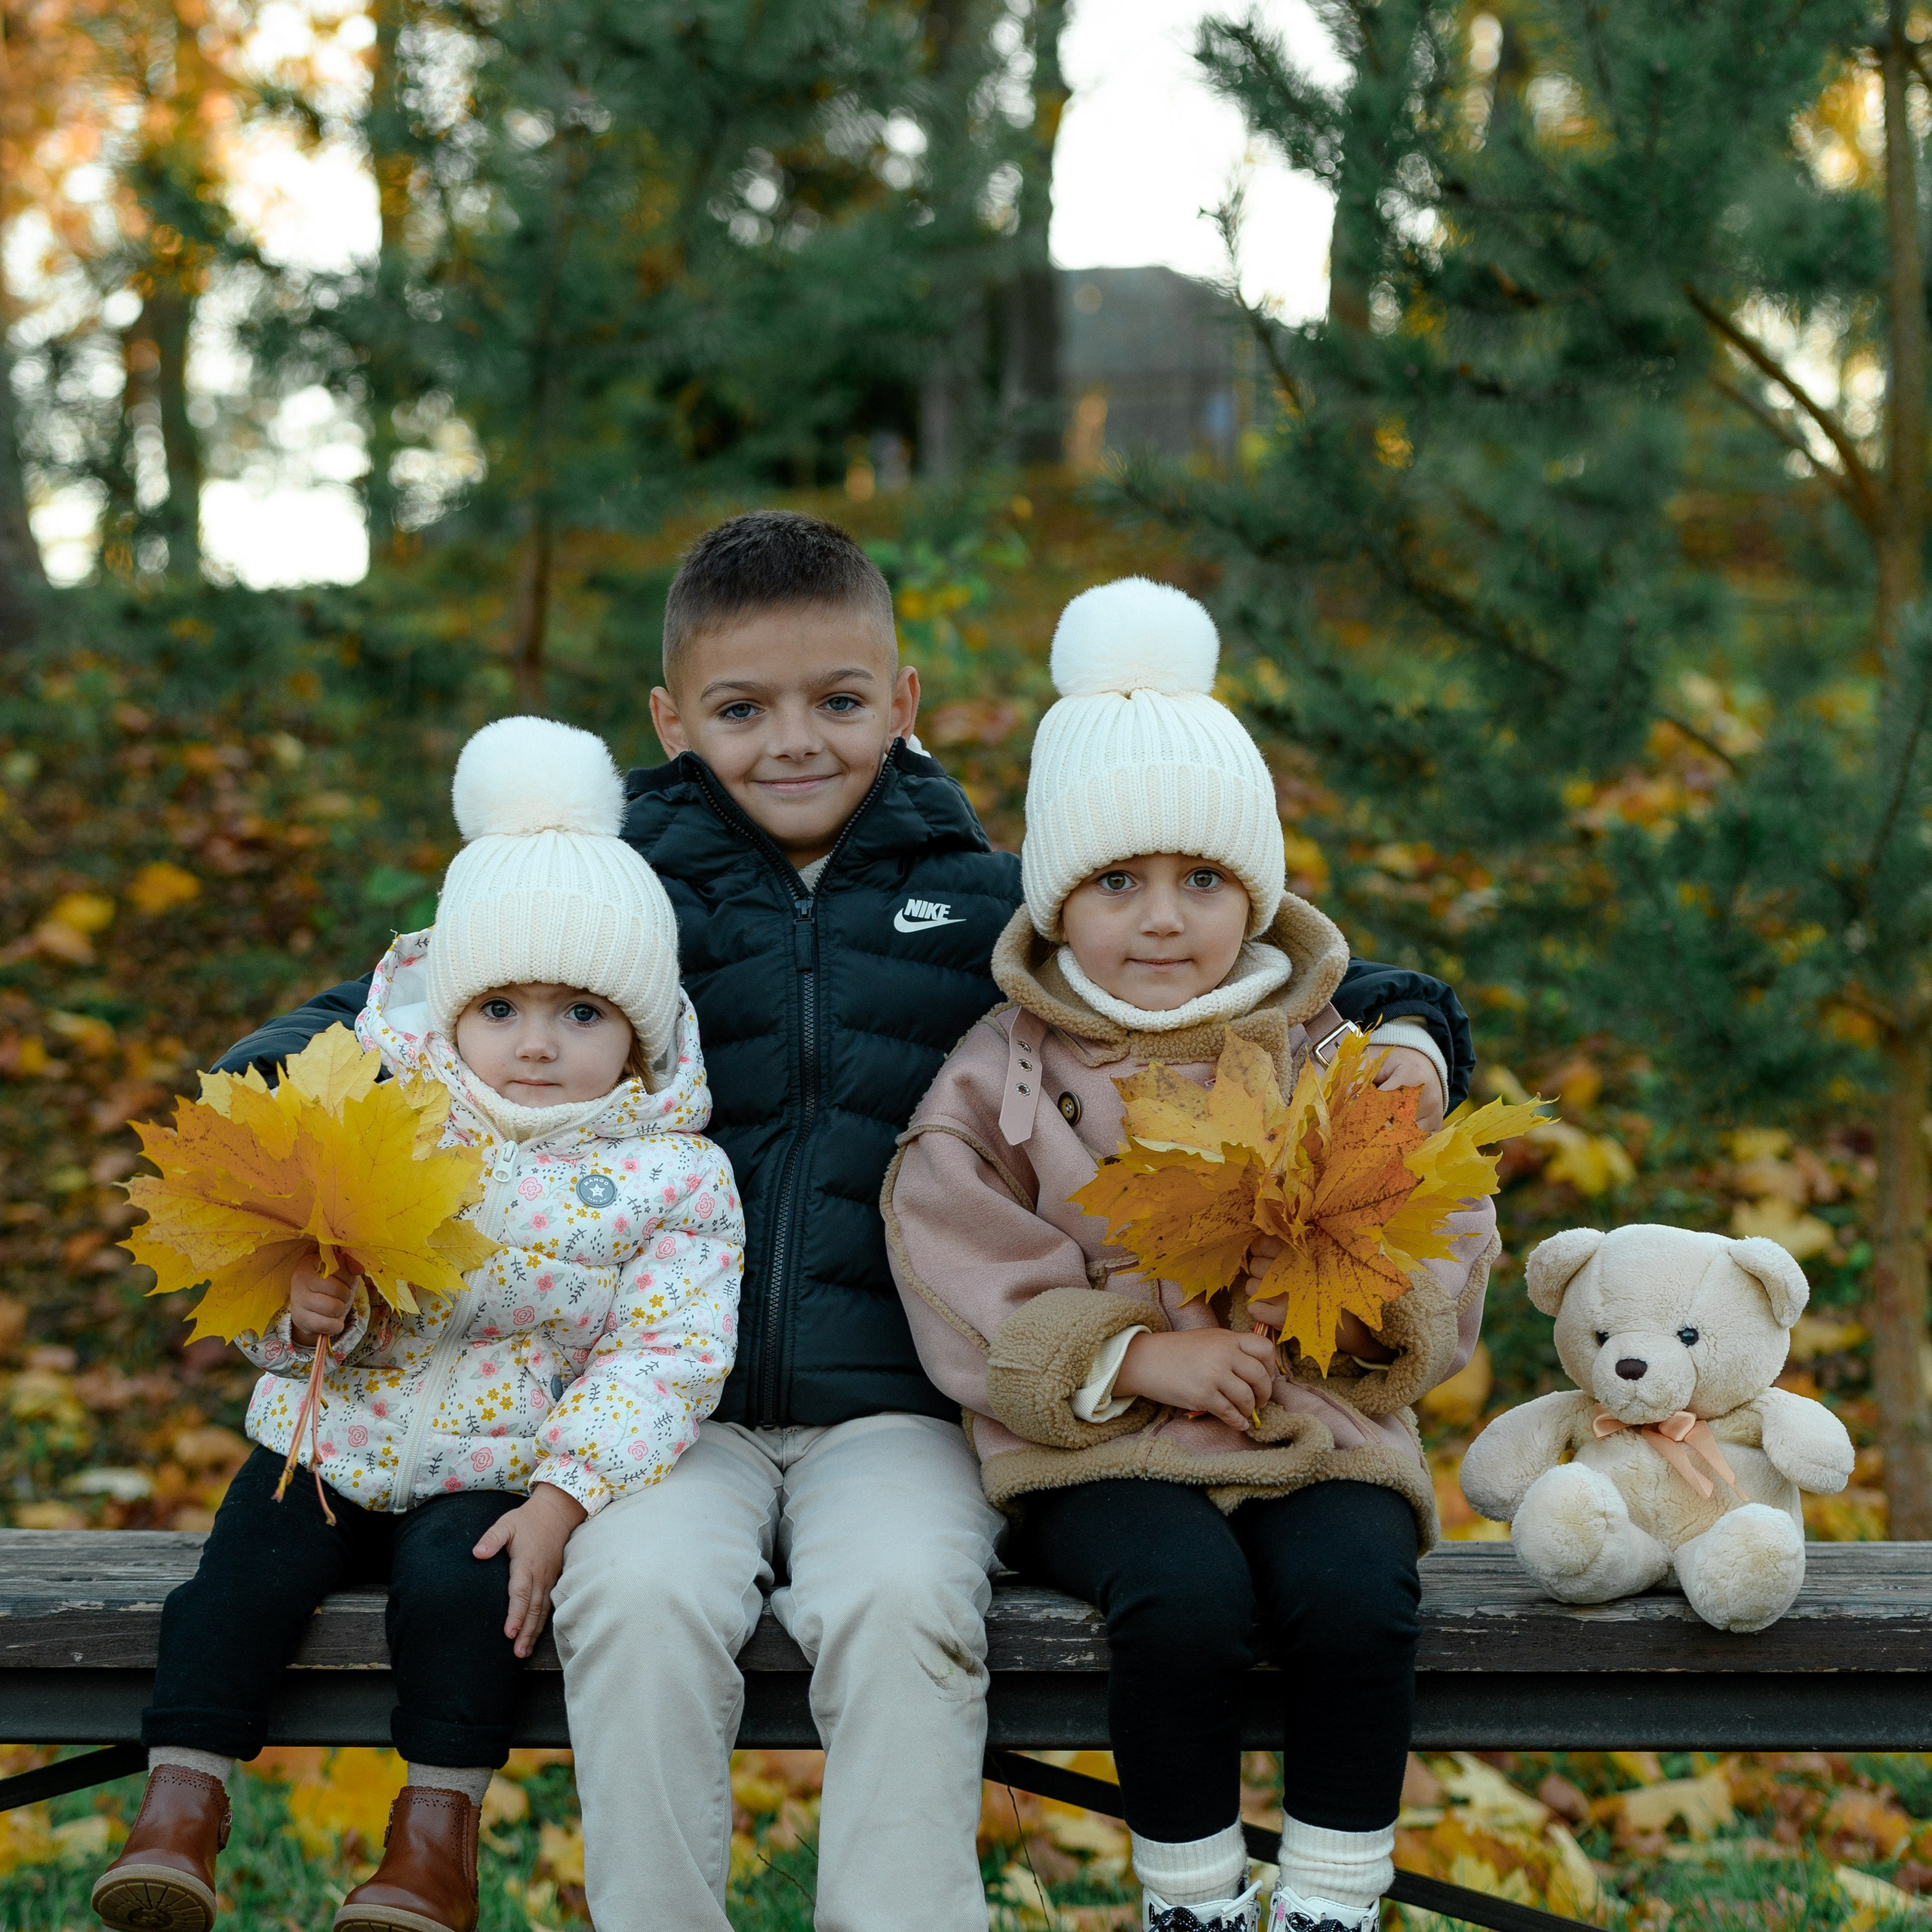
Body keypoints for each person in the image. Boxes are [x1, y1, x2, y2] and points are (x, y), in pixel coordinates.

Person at [207, 512, 1474, 1932]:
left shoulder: (994, 899)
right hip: (653, 1412)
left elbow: (1251, 967)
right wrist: (263, 1100)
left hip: (902, 1410)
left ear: (906, 702)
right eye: (744, 710)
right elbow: (387, 1008)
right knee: (634, 1605)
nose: (795, 741)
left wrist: (1418, 1033)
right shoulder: (607, 897)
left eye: (841, 702)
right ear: (672, 718)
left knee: (904, 1606)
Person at [883, 579, 1501, 1932]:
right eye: (1118, 882)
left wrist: (1361, 1314)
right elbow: (953, 1259)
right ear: (1056, 904)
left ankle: (1334, 1897)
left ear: (1256, 892)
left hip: (1311, 1426)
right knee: (1180, 1602)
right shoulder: (1007, 1076)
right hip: (1100, 1451)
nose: (1162, 919)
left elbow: (1441, 1224)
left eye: (1203, 880)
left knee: (1355, 1592)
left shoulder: (1329, 1047)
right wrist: (1133, 1354)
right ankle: (1194, 1899)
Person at [92, 717, 743, 1932]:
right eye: (501, 1005)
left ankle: (432, 1839)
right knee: (239, 1576)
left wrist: (566, 1497)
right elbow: (268, 1269)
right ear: (451, 1009)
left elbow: (667, 1356)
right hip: (327, 1440)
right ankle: (180, 1808)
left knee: (468, 1597)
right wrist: (298, 1314)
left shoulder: (675, 1177)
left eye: (582, 1013)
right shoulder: (380, 1111)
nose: (537, 1042)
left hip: (500, 1472)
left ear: (643, 1029)